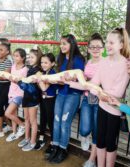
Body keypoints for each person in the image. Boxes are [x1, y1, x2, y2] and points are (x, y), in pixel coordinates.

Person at [66, 28, 130, 167]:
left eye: (111, 42)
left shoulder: (125, 64)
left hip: (114, 111)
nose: (108, 45)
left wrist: (99, 92)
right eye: (107, 42)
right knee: (100, 140)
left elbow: (117, 93)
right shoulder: (104, 62)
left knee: (110, 143)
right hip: (101, 106)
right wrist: (68, 82)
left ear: (121, 44)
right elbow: (91, 84)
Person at [47, 34, 85, 164]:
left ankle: (63, 149)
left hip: (73, 94)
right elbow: (57, 79)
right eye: (61, 43)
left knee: (64, 122)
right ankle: (55, 146)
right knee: (56, 120)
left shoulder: (78, 59)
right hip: (61, 93)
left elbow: (80, 79)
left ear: (72, 44)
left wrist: (70, 80)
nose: (61, 46)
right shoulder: (60, 58)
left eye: (64, 43)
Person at [69, 33, 104, 167]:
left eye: (98, 47)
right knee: (84, 129)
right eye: (92, 47)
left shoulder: (105, 63)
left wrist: (87, 81)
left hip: (99, 100)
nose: (95, 49)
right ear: (88, 48)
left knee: (96, 131)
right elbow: (82, 80)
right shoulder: (87, 62)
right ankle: (85, 136)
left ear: (103, 48)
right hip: (86, 97)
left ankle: (91, 159)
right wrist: (73, 79)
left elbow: (100, 83)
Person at [17, 46, 42, 151]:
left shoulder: (39, 71)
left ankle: (32, 142)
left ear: (38, 57)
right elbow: (25, 84)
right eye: (29, 57)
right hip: (27, 96)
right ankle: (27, 138)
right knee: (26, 118)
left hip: (33, 98)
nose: (29, 59)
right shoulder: (30, 68)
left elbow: (31, 87)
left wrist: (19, 81)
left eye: (32, 57)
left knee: (33, 120)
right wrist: (20, 82)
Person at [35, 53, 57, 155]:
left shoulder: (52, 73)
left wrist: (39, 79)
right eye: (42, 62)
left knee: (50, 121)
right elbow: (42, 89)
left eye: (46, 62)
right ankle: (41, 137)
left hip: (50, 101)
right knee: (42, 119)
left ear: (52, 63)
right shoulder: (44, 73)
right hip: (43, 99)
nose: (43, 64)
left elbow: (44, 88)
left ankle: (53, 142)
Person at [5, 48, 28, 142]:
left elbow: (22, 82)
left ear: (23, 58)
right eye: (14, 55)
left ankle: (22, 125)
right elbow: (9, 76)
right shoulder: (13, 66)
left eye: (17, 56)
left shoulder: (25, 69)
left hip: (19, 94)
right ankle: (14, 133)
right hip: (11, 92)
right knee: (13, 113)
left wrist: (14, 80)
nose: (14, 57)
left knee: (7, 113)